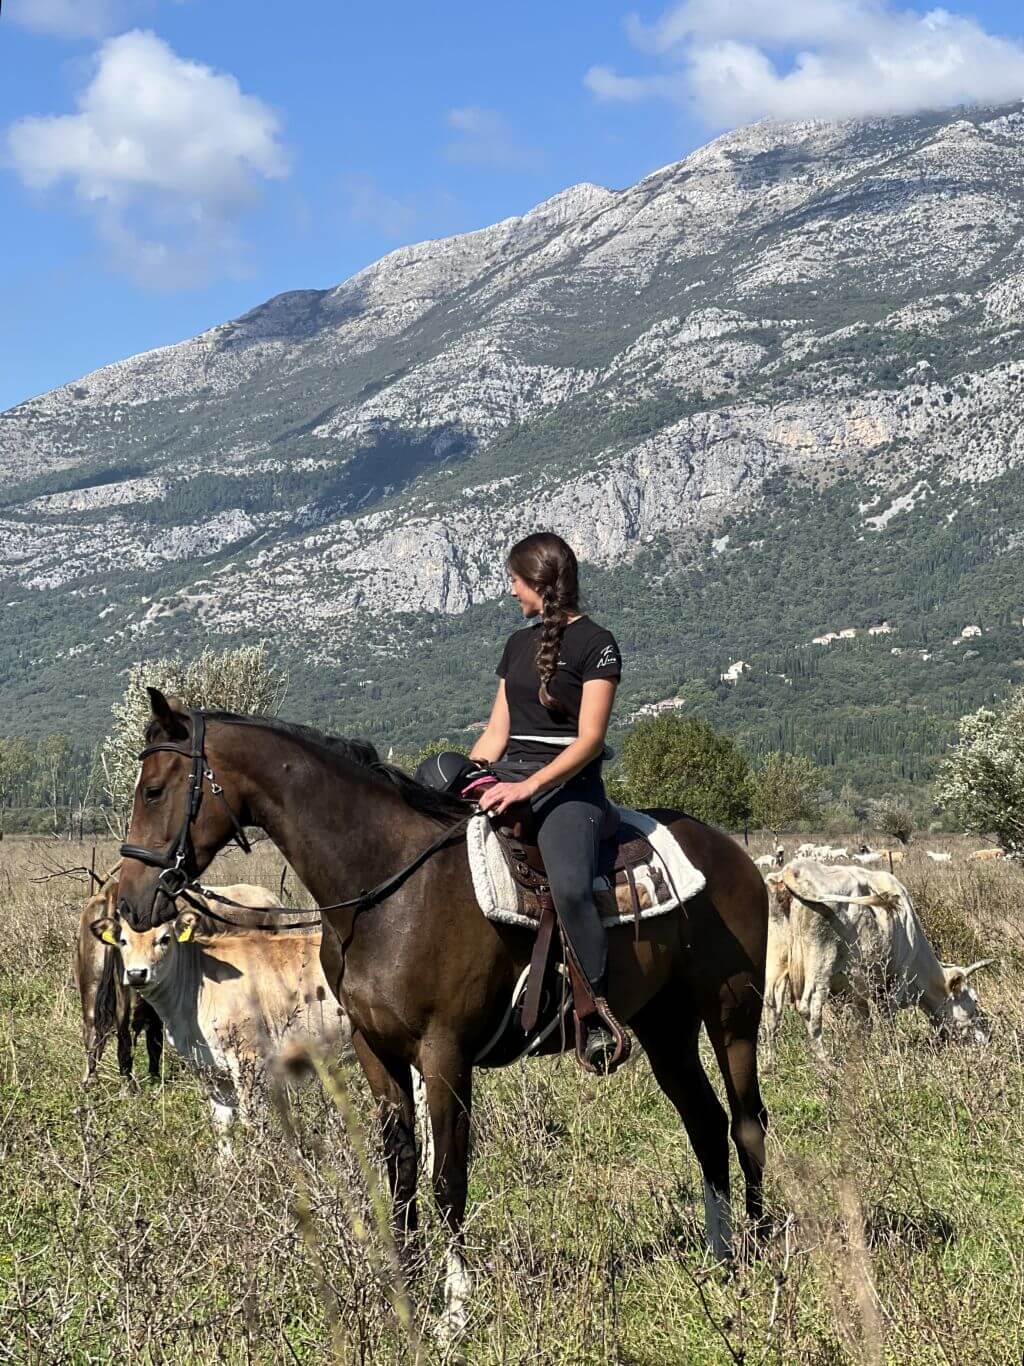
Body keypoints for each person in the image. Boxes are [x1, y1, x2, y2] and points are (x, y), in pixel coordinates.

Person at [469, 531, 627, 1073]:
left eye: (515, 580)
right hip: (510, 775)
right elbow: (496, 733)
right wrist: (467, 777)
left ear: (538, 582)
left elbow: (590, 741)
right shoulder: (517, 645)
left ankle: (596, 1011)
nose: (511, 590)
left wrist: (528, 787)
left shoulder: (598, 643)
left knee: (570, 887)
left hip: (569, 789)